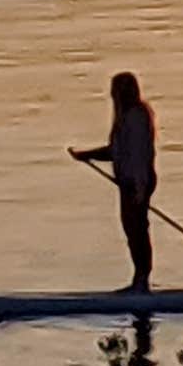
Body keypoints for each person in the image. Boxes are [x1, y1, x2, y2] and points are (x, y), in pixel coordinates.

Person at [72, 72, 158, 290]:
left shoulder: (136, 117)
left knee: (137, 230)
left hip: (137, 182)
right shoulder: (126, 117)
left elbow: (138, 155)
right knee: (132, 230)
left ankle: (141, 281)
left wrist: (138, 189)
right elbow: (115, 152)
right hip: (128, 183)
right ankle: (140, 280)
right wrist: (87, 155)